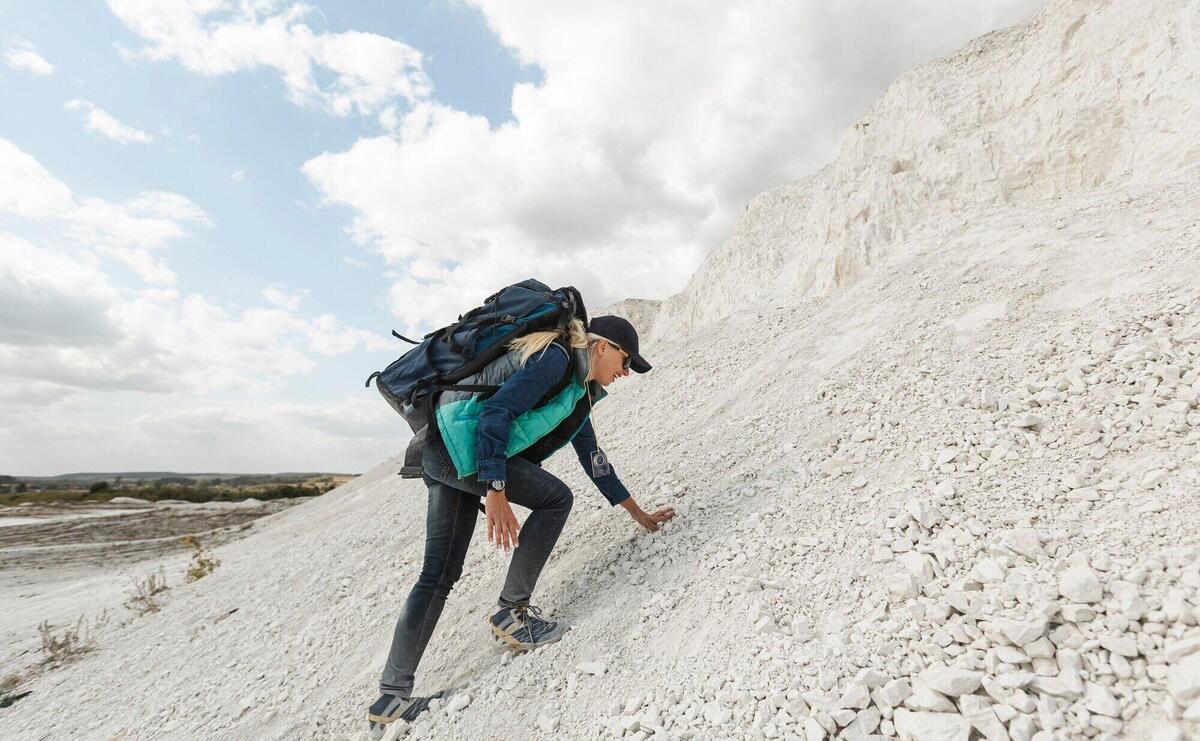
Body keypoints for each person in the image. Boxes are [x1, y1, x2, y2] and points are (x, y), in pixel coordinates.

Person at [368, 314, 676, 735]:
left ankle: (391, 698)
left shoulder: (579, 391)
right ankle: (512, 613)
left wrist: (638, 514)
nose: (626, 372)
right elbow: (496, 413)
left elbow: (592, 457)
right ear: (602, 347)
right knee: (556, 500)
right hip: (465, 450)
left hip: (443, 449)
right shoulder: (556, 359)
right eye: (626, 361)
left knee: (437, 574)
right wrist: (495, 486)